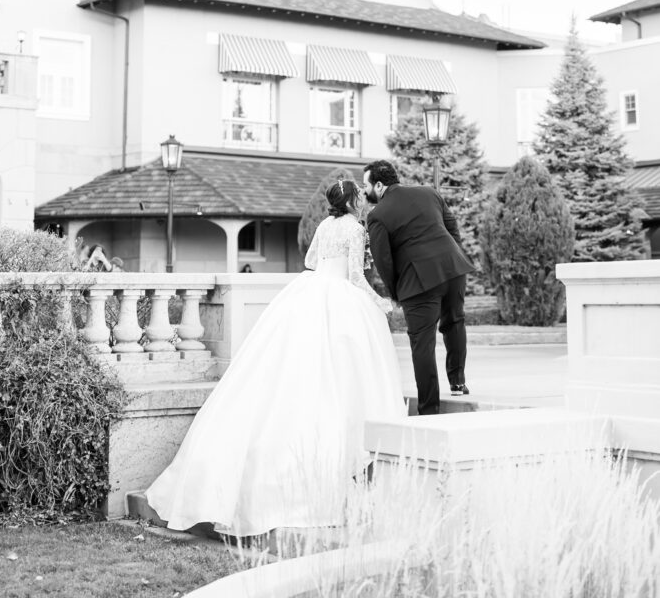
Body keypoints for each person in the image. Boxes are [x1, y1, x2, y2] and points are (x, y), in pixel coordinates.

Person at [145, 179, 406, 537]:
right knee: (340, 375)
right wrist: (380, 302)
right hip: (341, 299)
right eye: (359, 197)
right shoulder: (355, 229)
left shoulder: (326, 225)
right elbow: (357, 277)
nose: (363, 201)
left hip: (310, 292)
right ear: (352, 201)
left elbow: (312, 260)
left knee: (289, 370)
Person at [363, 159, 475, 415]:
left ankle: (428, 408)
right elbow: (452, 227)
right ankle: (458, 382)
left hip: (419, 283)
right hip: (454, 269)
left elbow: (384, 261)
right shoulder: (429, 192)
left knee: (422, 343)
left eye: (366, 185)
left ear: (379, 185)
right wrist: (453, 254)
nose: (365, 190)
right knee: (455, 322)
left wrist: (396, 292)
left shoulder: (377, 215)